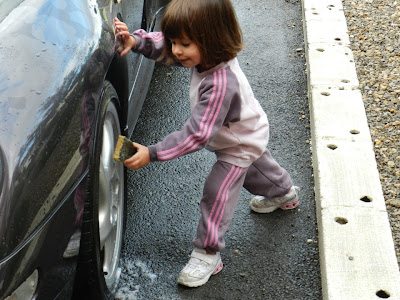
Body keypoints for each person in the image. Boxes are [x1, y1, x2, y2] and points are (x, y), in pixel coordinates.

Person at [114, 0, 299, 288]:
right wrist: (136, 40)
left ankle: (207, 253)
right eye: (176, 41)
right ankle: (283, 191)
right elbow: (163, 43)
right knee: (258, 169)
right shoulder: (203, 54)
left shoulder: (220, 84)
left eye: (184, 44)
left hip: (238, 143)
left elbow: (198, 134)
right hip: (244, 131)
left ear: (212, 39)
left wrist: (153, 153)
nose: (176, 50)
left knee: (218, 192)